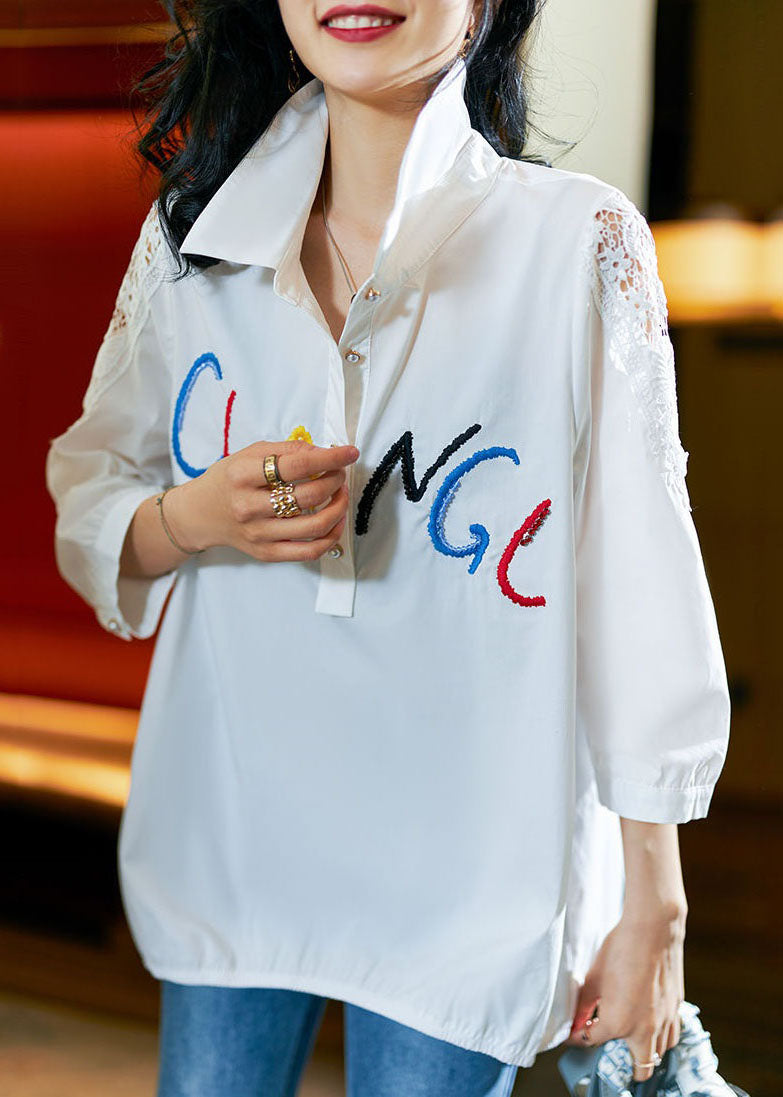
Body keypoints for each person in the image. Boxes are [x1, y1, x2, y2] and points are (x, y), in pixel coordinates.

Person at [45, 1, 732, 1095]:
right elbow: (91, 494)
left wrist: (656, 901)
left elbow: (637, 590)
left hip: (473, 870)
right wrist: (196, 517)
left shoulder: (577, 243)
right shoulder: (194, 239)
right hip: (234, 818)